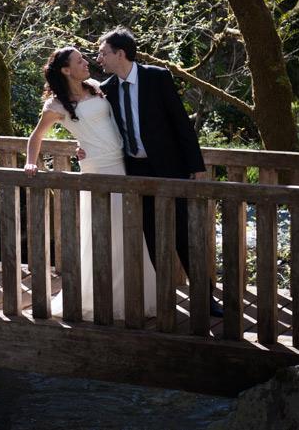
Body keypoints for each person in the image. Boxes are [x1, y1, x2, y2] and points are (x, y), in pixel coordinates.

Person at [94, 27, 221, 317]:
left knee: (184, 235)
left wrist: (196, 166)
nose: (99, 58)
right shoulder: (107, 89)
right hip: (136, 171)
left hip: (171, 168)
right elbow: (105, 130)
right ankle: (164, 297)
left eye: (103, 52)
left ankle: (206, 299)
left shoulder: (157, 77)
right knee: (150, 234)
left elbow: (181, 123)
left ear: (120, 53)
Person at [24, 47, 156, 321]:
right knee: (102, 232)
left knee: (129, 228)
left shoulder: (96, 87)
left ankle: (135, 294)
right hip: (96, 168)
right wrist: (30, 162)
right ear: (65, 69)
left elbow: (113, 120)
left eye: (85, 58)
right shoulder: (57, 105)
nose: (87, 63)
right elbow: (36, 136)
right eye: (79, 60)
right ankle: (98, 296)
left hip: (121, 163)